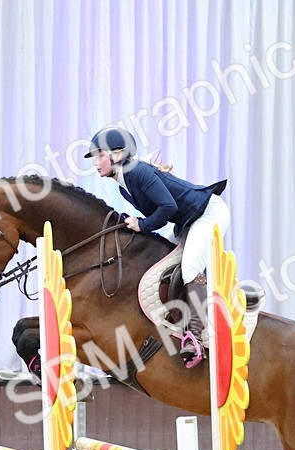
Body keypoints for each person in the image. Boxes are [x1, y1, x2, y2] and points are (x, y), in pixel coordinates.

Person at [85, 126, 229, 368]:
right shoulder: (124, 185)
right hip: (189, 220)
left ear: (117, 154)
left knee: (191, 268)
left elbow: (168, 208)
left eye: (99, 156)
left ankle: (195, 335)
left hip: (208, 213)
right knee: (163, 259)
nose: (95, 163)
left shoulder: (137, 171)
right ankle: (179, 317)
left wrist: (141, 225)